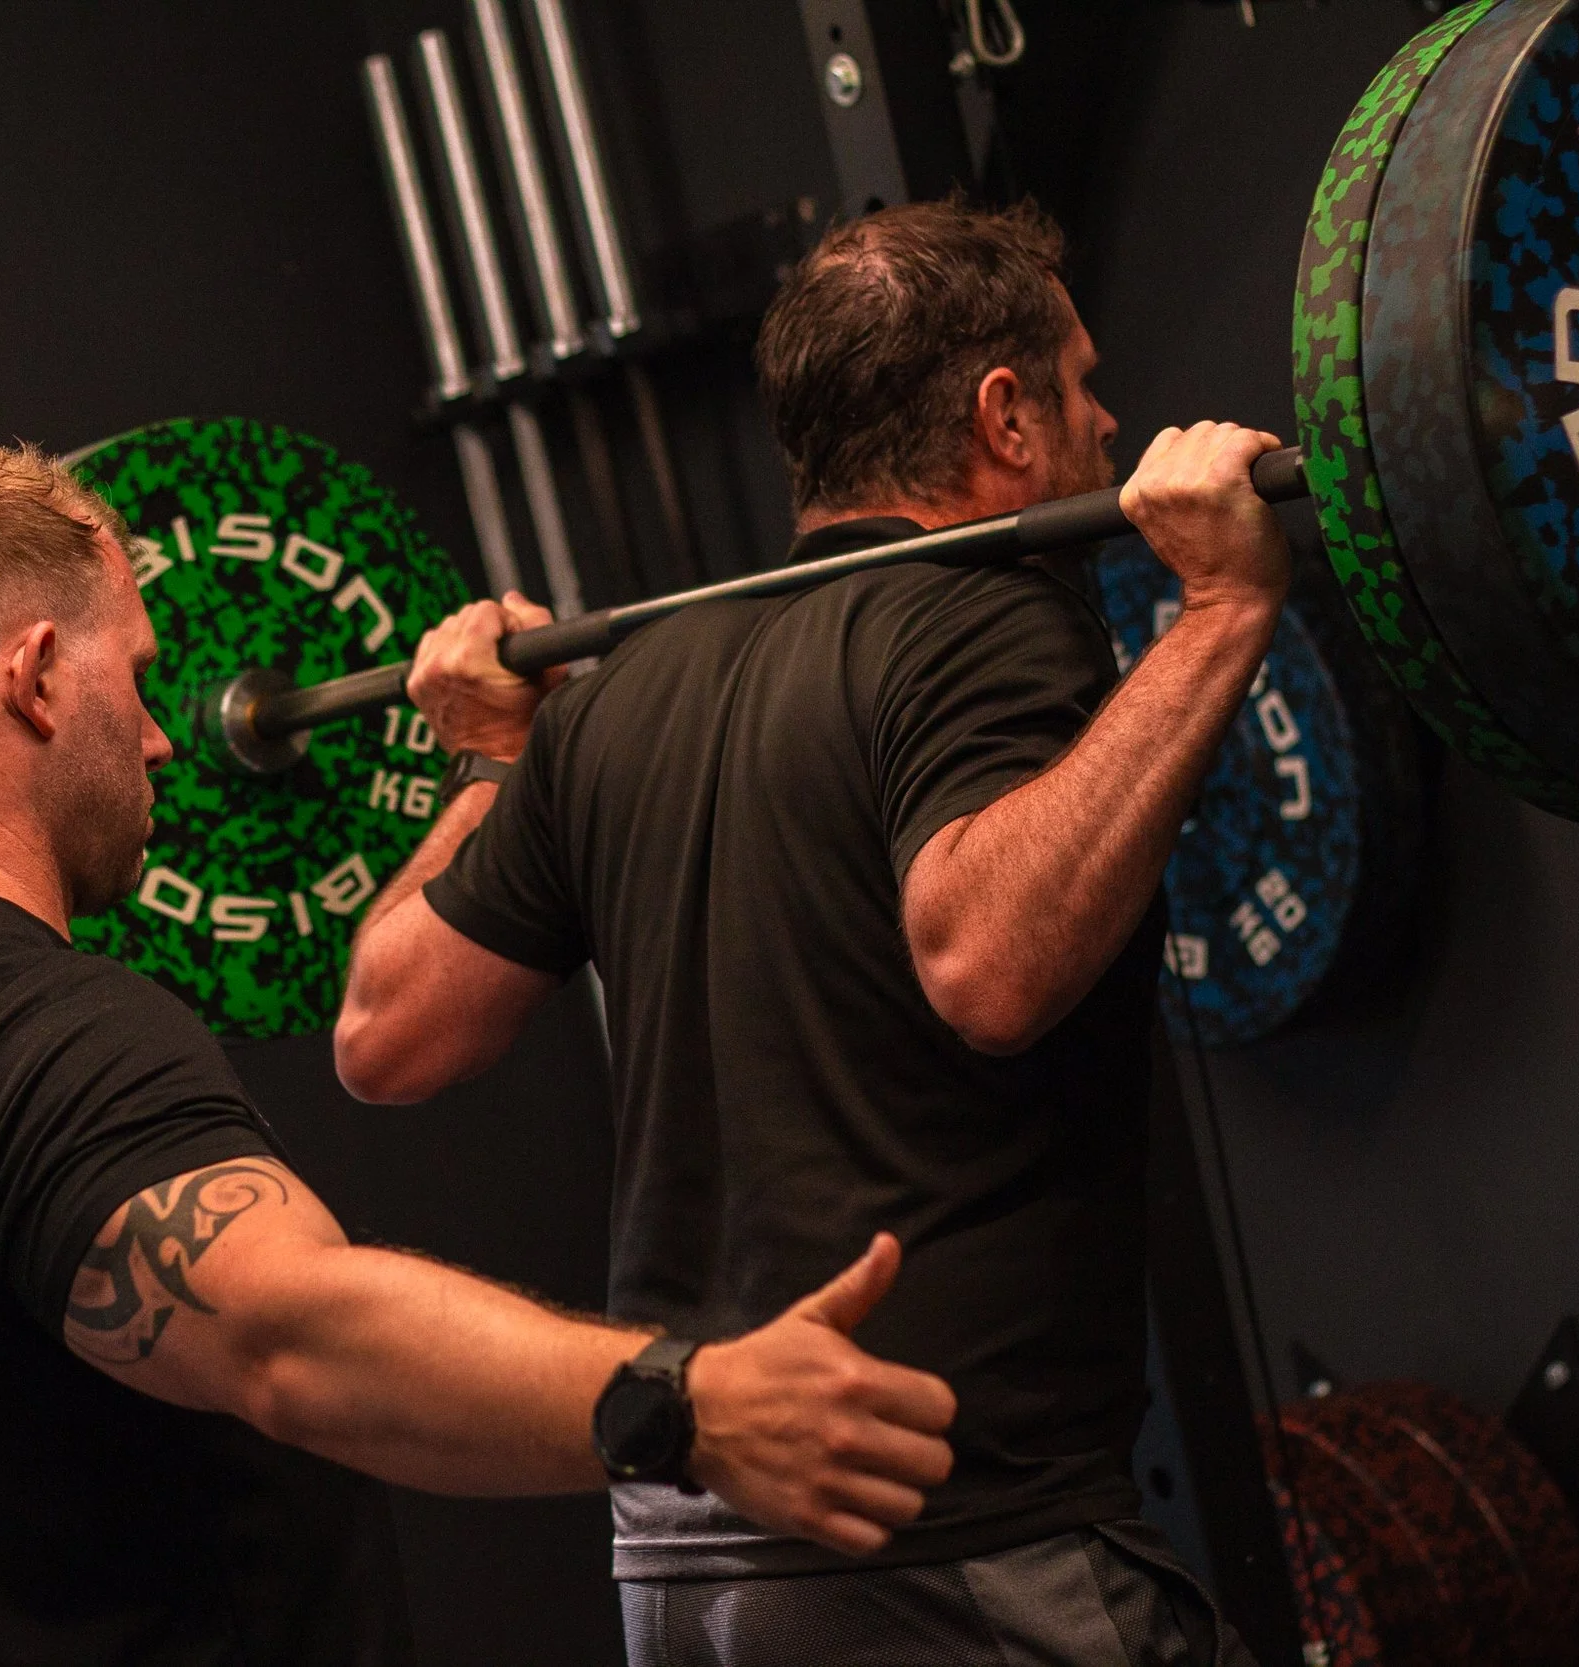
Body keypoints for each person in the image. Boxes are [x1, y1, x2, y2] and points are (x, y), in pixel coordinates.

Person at [0, 430, 962, 1666]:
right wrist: (691, 1403)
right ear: (38, 676)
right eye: (140, 675)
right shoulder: (34, 1031)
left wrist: (489, 767)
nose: (163, 735)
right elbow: (290, 1335)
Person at [336, 199, 1283, 1665]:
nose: (1110, 424)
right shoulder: (984, 618)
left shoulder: (624, 694)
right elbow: (990, 962)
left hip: (684, 1558)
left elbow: (384, 1029)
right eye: (1083, 386)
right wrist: (1219, 607)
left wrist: (488, 755)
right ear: (1006, 417)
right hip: (943, 1550)